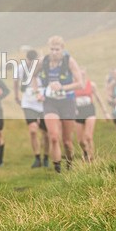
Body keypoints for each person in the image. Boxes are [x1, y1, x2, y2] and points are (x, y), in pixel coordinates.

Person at [37, 36, 83, 173]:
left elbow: (80, 83)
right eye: (52, 49)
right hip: (50, 102)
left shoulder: (69, 61)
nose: (54, 52)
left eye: (57, 49)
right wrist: (37, 92)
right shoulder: (44, 61)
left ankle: (69, 164)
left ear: (62, 49)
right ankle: (58, 170)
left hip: (67, 101)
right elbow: (32, 77)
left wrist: (62, 87)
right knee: (54, 136)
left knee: (67, 141)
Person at [14, 50, 49, 169]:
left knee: (47, 133)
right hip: (28, 103)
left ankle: (46, 157)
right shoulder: (21, 68)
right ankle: (37, 157)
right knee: (33, 130)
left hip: (43, 103)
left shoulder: (44, 68)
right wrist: (16, 96)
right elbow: (15, 82)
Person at [73, 68, 109, 162]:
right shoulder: (73, 86)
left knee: (88, 136)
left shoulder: (91, 85)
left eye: (83, 74)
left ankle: (91, 158)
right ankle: (85, 153)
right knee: (80, 141)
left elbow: (98, 99)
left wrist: (105, 113)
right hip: (78, 112)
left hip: (89, 111)